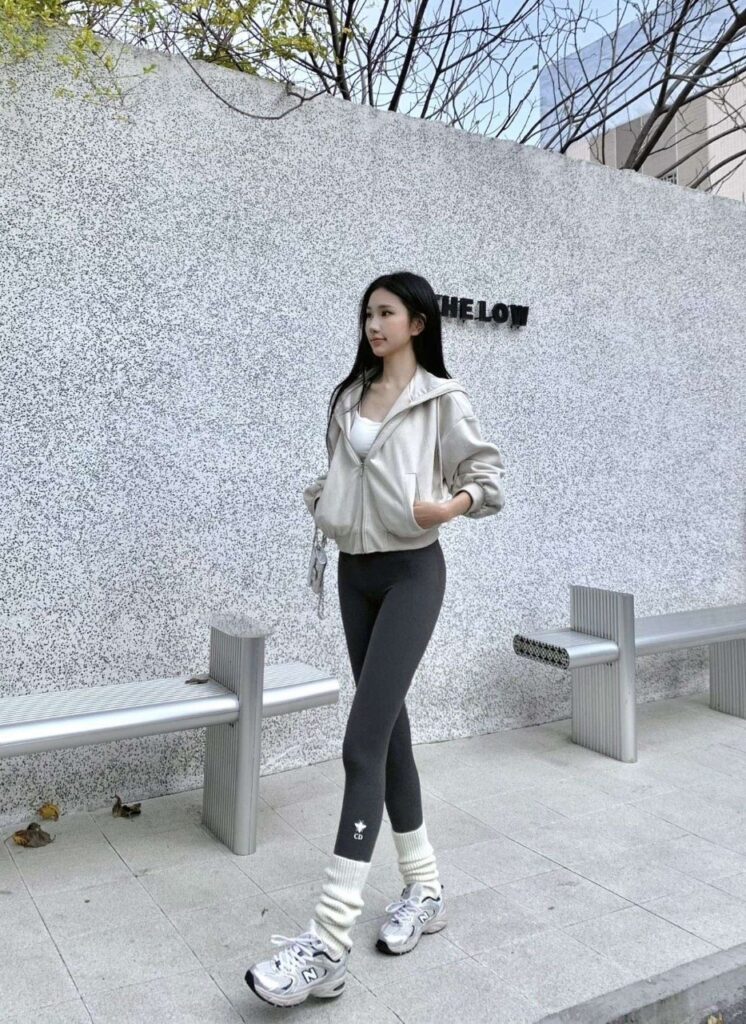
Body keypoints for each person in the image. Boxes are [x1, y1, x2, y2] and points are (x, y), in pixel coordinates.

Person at [245, 270, 506, 1008]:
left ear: (418, 322)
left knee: (361, 744)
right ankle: (425, 888)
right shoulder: (349, 397)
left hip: (412, 574)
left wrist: (447, 506)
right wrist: (325, 501)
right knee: (388, 733)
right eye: (367, 313)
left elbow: (488, 477)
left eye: (386, 313)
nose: (373, 324)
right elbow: (341, 471)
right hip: (354, 573)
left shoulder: (441, 400)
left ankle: (328, 943)